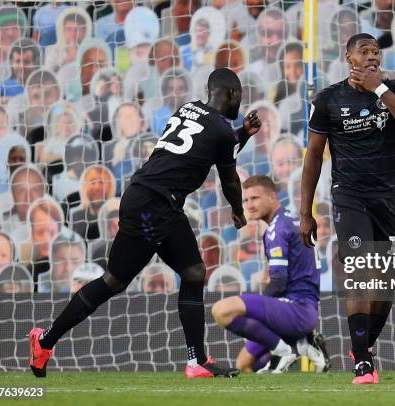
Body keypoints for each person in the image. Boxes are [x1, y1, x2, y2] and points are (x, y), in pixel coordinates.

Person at [28, 68, 262, 380]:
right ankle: (44, 341)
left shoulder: (189, 109)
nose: (240, 102)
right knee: (114, 281)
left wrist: (242, 133)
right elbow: (229, 178)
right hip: (152, 205)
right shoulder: (219, 128)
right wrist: (238, 211)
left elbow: (216, 143)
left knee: (194, 272)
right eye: (240, 96)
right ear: (232, 94)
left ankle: (197, 361)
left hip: (156, 199)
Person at [300, 33, 395, 384]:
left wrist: (379, 89)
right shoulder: (327, 100)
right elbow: (312, 157)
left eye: (376, 52)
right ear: (348, 57)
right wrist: (305, 212)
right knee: (360, 272)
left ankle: (362, 347)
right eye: (364, 51)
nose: (371, 57)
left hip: (387, 197)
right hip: (349, 196)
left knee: (384, 284)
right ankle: (363, 365)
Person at [211, 175, 328, 374]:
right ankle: (303, 344)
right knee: (244, 364)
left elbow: (279, 281)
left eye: (255, 198)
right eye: (246, 200)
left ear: (273, 197)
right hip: (301, 310)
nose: (249, 205)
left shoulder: (277, 229)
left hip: (296, 310)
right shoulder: (290, 221)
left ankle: (285, 350)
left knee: (221, 310)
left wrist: (258, 310)